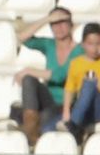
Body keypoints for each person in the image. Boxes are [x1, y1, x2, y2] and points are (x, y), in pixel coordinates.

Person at [14, 9, 81, 142]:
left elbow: (60, 76)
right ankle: (30, 130)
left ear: (71, 25)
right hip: (48, 98)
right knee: (28, 80)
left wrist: (29, 70)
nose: (59, 27)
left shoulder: (80, 50)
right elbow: (22, 38)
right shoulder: (49, 44)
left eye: (62, 22)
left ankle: (30, 133)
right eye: (54, 24)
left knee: (45, 118)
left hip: (66, 103)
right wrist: (46, 19)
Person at [61, 22, 100, 142]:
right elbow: (69, 88)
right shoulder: (76, 63)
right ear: (83, 44)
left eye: (98, 44)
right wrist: (66, 111)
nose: (95, 48)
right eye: (90, 44)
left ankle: (73, 125)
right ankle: (75, 125)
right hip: (82, 107)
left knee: (90, 83)